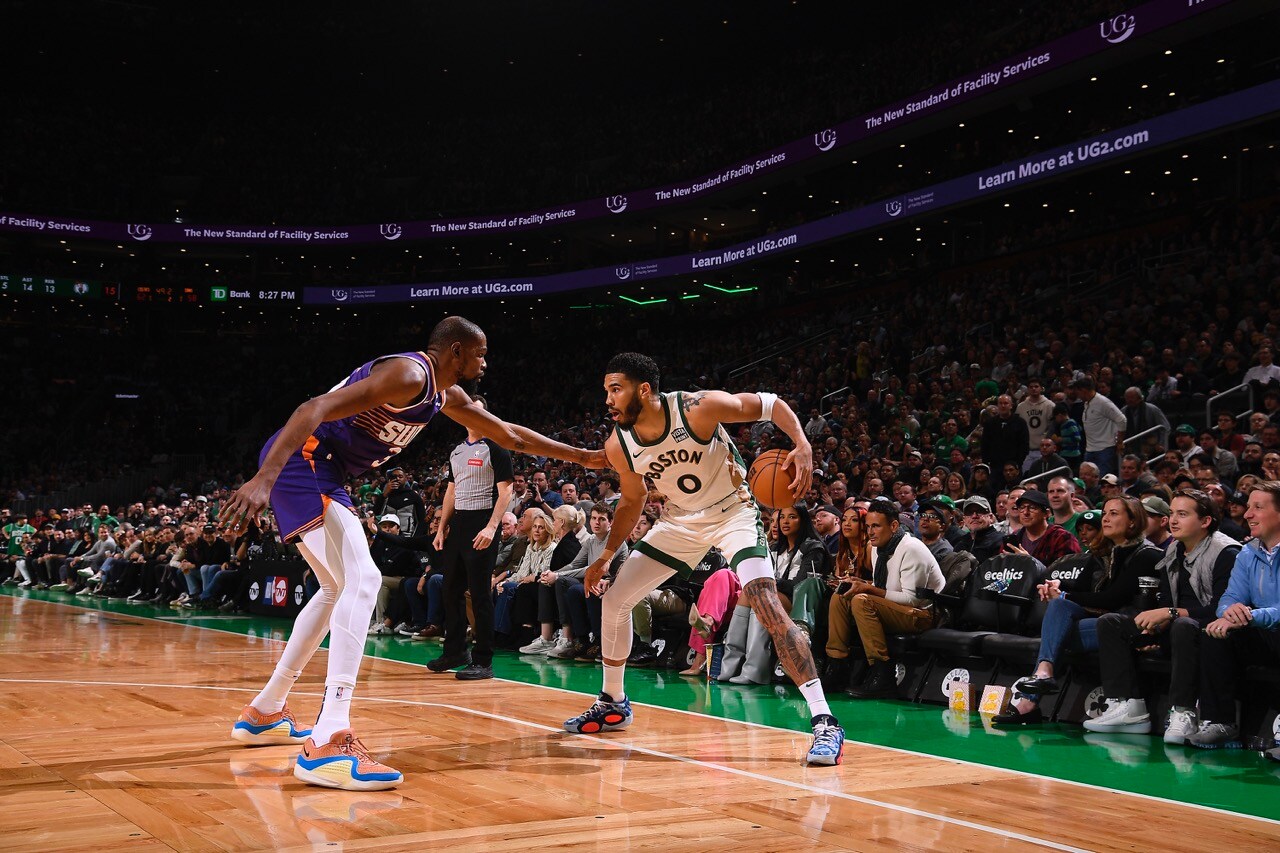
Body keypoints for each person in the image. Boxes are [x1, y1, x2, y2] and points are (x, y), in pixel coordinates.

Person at [221, 316, 603, 791]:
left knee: (334, 587)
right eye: (480, 353)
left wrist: (584, 458)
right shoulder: (410, 374)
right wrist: (265, 479)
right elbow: (313, 406)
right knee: (362, 580)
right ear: (456, 351)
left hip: (325, 473)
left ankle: (265, 711)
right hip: (303, 462)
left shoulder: (446, 395)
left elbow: (510, 435)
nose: (486, 361)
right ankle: (329, 738)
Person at [562, 352, 845, 766]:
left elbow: (771, 404)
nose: (607, 399)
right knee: (616, 599)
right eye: (606, 390)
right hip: (679, 523)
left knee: (766, 603)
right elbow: (632, 502)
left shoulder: (697, 407)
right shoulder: (619, 444)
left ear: (644, 390)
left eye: (615, 389)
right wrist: (606, 555)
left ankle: (825, 721)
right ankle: (614, 702)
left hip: (733, 513)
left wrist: (801, 444)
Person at [993, 495, 1162, 725]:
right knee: (1060, 606)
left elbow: (1114, 598)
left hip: (1127, 626)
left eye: (1114, 513)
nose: (1106, 519)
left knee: (1058, 630)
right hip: (1100, 621)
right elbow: (1079, 587)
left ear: (1132, 521)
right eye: (1105, 513)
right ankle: (1043, 673)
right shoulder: (1103, 553)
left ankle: (1029, 701)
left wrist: (1064, 595)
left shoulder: (1147, 555)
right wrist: (1057, 587)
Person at [1085, 490, 1239, 741]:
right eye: (1172, 514)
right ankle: (1129, 707)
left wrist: (1169, 614)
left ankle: (1183, 712)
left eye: (1182, 514)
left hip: (1210, 632)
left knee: (1183, 624)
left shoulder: (1226, 553)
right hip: (1177, 627)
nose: (1173, 520)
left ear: (1205, 521)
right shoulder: (1173, 551)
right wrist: (1154, 627)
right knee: (1111, 623)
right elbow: (1167, 601)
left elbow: (1222, 610)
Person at [426, 395, 515, 680]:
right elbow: (451, 492)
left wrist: (491, 527)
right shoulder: (456, 452)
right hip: (459, 525)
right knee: (449, 589)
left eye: (476, 411)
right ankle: (454, 651)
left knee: (479, 594)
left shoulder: (496, 448)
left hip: (483, 520)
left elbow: (506, 492)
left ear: (485, 417)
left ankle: (483, 660)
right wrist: (441, 529)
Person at [1189, 482, 1280, 750]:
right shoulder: (1248, 552)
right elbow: (1229, 597)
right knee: (1215, 632)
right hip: (1263, 633)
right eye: (1248, 507)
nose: (1248, 514)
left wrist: (1251, 615)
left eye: (1258, 507)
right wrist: (1229, 612)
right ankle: (1220, 722)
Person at [843, 500, 946, 699]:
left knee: (862, 600)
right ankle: (836, 662)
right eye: (868, 526)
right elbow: (882, 586)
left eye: (876, 526)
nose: (870, 532)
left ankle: (883, 675)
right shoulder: (876, 548)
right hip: (899, 608)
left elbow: (912, 599)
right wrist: (860, 583)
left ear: (893, 526)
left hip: (925, 614)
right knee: (841, 597)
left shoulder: (911, 548)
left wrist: (869, 589)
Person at [1072, 376, 1126, 477]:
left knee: (1102, 480)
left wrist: (1119, 441)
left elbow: (1122, 420)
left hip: (1105, 449)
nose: (1077, 396)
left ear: (1083, 390)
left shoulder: (1103, 402)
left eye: (1077, 392)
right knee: (1085, 479)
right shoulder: (1087, 403)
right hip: (1090, 449)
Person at [956, 495, 1003, 562]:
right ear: (964, 520)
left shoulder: (1000, 542)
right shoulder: (960, 543)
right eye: (969, 512)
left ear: (991, 517)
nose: (974, 516)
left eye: (980, 511)